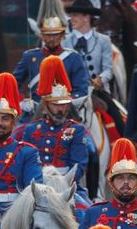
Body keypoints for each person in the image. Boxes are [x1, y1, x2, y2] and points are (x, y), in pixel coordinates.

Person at [17, 55, 96, 196]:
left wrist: (62, 183)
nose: (61, 110)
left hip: (66, 185)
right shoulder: (31, 130)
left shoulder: (76, 130)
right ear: (46, 105)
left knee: (85, 213)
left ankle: (95, 193)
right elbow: (26, 163)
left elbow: (78, 165)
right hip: (37, 187)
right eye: (55, 105)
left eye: (64, 105)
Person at [0, 73, 43, 214]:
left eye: (5, 119)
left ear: (14, 122)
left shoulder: (27, 152)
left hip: (14, 214)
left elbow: (34, 193)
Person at [12, 14, 89, 110]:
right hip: (36, 110)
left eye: (55, 34)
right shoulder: (29, 56)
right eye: (48, 35)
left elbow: (81, 89)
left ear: (62, 35)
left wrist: (68, 103)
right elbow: (13, 84)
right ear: (42, 35)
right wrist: (21, 101)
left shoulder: (73, 57)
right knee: (21, 125)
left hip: (65, 109)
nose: (51, 39)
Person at [65, 0, 115, 92]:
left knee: (112, 107)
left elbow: (108, 69)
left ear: (86, 18)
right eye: (71, 15)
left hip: (98, 91)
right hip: (71, 92)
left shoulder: (104, 40)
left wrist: (100, 79)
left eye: (75, 15)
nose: (71, 19)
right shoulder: (64, 41)